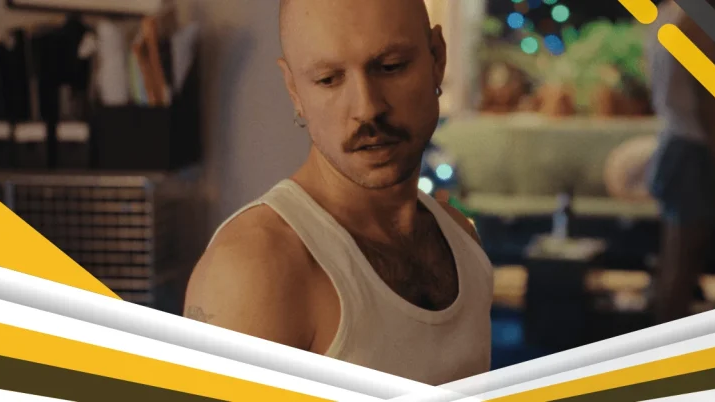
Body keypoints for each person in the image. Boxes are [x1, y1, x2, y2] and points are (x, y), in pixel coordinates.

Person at [183, 0, 493, 385]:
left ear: (437, 59)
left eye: (391, 66)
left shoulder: (462, 240)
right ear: (294, 90)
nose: (367, 108)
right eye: (329, 79)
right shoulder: (255, 269)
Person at [645, 0, 715, 324]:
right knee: (681, 271)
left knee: (673, 266)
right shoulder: (699, 22)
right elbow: (709, 106)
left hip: (673, 142)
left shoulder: (665, 15)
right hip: (693, 151)